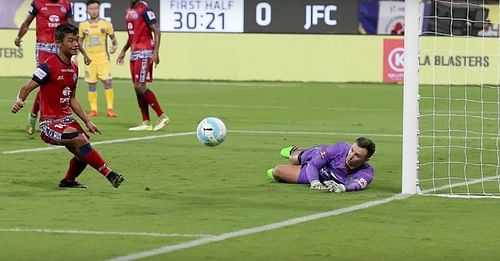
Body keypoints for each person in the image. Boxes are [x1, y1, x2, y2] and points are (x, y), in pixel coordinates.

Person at [11, 24, 124, 189]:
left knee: (83, 145)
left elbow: (72, 98)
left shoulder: (74, 68)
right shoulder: (47, 66)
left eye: (76, 40)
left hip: (67, 120)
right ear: (59, 43)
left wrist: (87, 121)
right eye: (70, 40)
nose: (75, 44)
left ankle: (68, 181)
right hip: (49, 123)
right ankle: (110, 174)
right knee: (78, 140)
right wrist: (20, 100)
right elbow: (27, 87)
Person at [14, 0, 91, 135]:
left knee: (54, 84)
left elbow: (71, 30)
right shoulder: (37, 3)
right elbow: (27, 23)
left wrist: (83, 52)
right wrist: (19, 36)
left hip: (61, 47)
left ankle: (47, 117)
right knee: (43, 81)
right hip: (43, 47)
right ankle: (34, 117)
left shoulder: (66, 4)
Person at [117, 0, 170, 131]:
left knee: (139, 86)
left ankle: (162, 116)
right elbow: (131, 35)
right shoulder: (129, 10)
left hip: (145, 51)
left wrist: (156, 52)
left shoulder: (145, 9)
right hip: (134, 52)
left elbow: (156, 31)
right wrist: (124, 50)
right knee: (137, 87)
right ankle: (146, 122)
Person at [267, 137, 376, 193]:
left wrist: (343, 188)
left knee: (276, 171)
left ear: (366, 159)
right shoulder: (339, 148)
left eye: (357, 155)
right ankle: (295, 151)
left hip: (322, 175)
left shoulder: (367, 172)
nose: (351, 155)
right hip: (318, 158)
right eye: (352, 150)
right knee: (294, 159)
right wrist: (314, 182)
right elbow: (313, 165)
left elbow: (357, 185)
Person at [79, 0, 118, 117]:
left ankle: (110, 109)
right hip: (89, 59)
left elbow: (113, 39)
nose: (93, 11)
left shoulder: (106, 24)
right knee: (91, 84)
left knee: (107, 82)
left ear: (99, 9)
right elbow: (79, 42)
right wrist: (76, 56)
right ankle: (93, 110)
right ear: (87, 10)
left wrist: (114, 46)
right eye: (91, 9)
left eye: (95, 8)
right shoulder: (83, 25)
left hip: (103, 58)